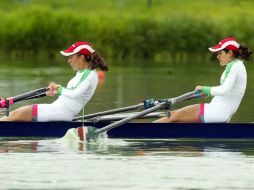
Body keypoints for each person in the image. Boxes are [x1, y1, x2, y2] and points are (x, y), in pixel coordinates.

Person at [0, 41, 108, 122]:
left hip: (63, 112)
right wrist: (56, 91)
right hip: (59, 108)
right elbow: (71, 91)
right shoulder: (82, 72)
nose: (69, 60)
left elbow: (75, 93)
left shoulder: (89, 74)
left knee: (21, 113)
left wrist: (59, 89)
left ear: (82, 58)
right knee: (14, 114)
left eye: (71, 57)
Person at [155, 37, 252, 123]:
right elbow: (228, 92)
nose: (217, 56)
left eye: (220, 53)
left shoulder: (234, 66)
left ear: (230, 53)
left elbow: (224, 90)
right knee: (173, 115)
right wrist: (209, 93)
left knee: (172, 116)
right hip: (219, 112)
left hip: (217, 112)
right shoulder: (238, 66)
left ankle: (144, 131)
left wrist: (205, 89)